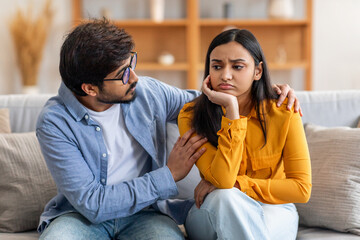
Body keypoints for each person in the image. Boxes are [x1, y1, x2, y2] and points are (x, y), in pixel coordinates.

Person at [36, 19, 301, 239]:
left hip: (145, 214)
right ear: (90, 88)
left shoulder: (147, 93)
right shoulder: (55, 122)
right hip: (80, 217)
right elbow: (93, 204)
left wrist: (267, 92)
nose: (135, 77)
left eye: (132, 64)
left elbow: (211, 102)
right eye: (124, 74)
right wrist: (169, 174)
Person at [178, 28, 312, 240]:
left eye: (237, 66)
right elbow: (222, 181)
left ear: (257, 71)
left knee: (231, 196)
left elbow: (301, 189)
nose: (225, 75)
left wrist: (239, 184)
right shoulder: (191, 116)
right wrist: (232, 110)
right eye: (217, 66)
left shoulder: (283, 111)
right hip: (211, 208)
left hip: (273, 208)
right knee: (226, 197)